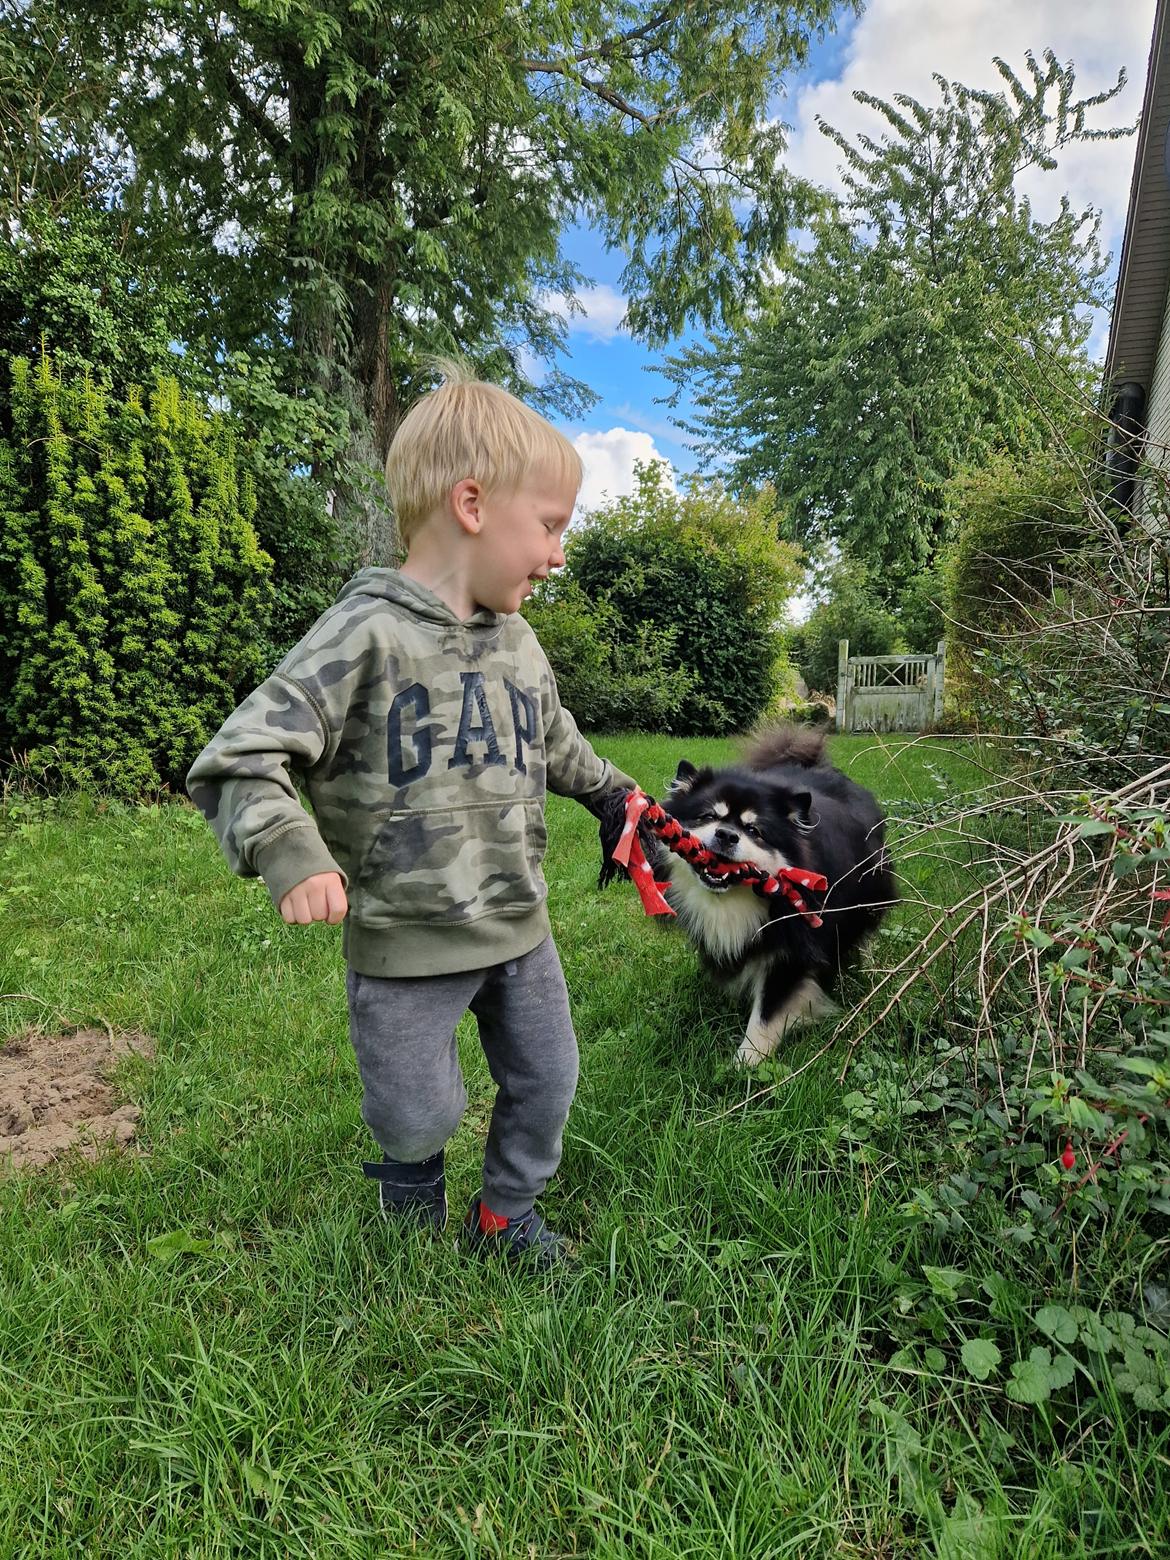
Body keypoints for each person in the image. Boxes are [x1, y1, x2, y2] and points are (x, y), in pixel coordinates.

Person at [187, 359, 635, 1270]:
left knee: (549, 1079)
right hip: (404, 937)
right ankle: (411, 1175)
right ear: (472, 505)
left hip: (518, 923)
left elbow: (558, 744)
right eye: (549, 526)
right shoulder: (365, 635)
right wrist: (289, 849)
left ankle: (506, 1215)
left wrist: (615, 796)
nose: (558, 554)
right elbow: (241, 755)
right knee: (414, 1108)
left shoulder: (520, 644)